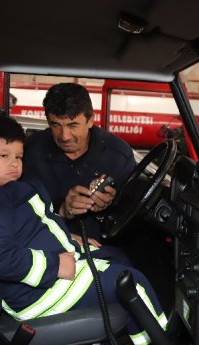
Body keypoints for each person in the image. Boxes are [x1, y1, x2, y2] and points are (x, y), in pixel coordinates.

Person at [0, 117, 166, 345]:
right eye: (4, 156)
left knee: (117, 257)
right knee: (133, 284)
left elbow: (34, 223)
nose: (14, 164)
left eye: (18, 157)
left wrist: (67, 238)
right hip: (40, 293)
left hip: (52, 275)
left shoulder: (2, 188)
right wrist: (55, 265)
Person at [23, 83, 136, 241]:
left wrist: (105, 210)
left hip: (104, 250)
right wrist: (61, 211)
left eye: (73, 125)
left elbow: (132, 218)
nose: (64, 136)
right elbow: (19, 213)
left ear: (90, 120)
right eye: (56, 125)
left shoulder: (118, 155)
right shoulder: (32, 152)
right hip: (48, 247)